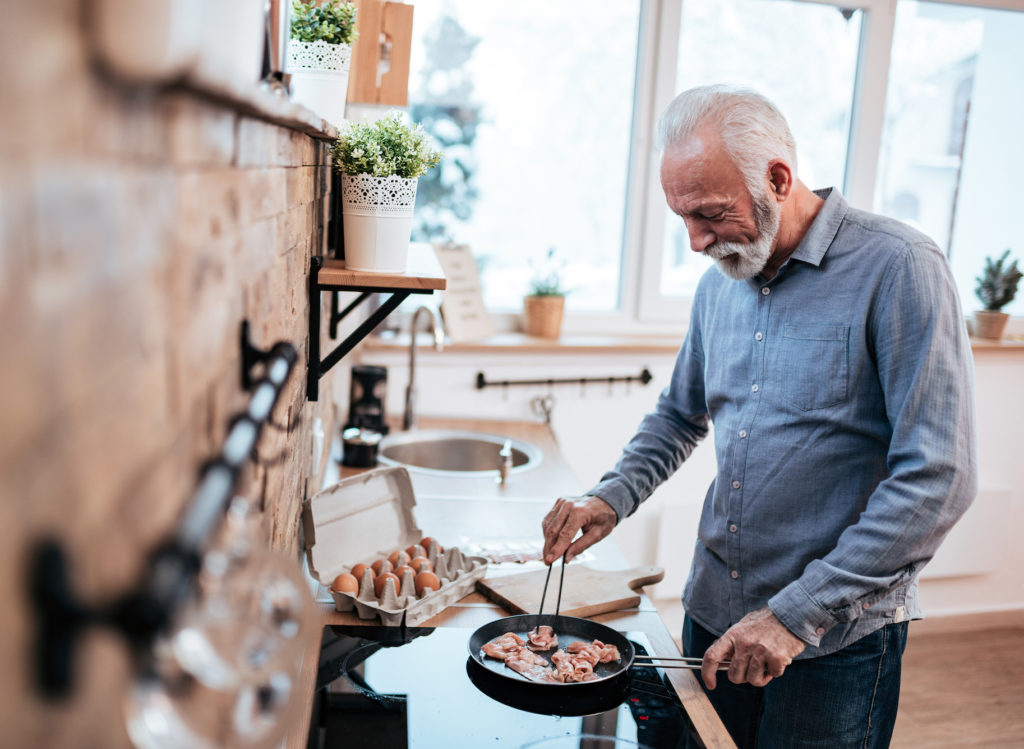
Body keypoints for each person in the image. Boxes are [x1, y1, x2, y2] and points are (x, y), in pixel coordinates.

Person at [541, 84, 977, 748]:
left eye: (710, 214)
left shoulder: (901, 268)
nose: (694, 242)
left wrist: (792, 616)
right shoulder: (721, 279)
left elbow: (939, 476)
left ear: (778, 178)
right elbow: (679, 414)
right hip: (713, 614)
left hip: (830, 641)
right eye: (681, 217)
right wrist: (610, 496)